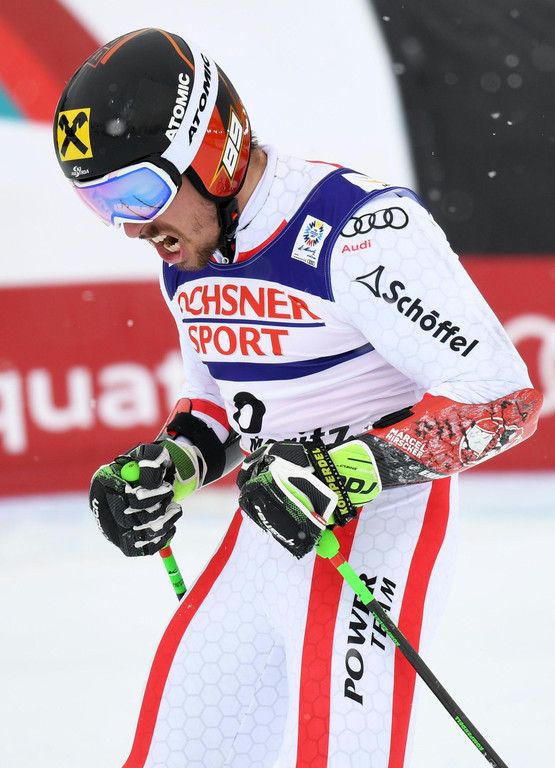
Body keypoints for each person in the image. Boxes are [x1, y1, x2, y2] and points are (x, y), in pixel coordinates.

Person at [54, 28, 542, 768]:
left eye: (138, 193)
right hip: (268, 534)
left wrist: (344, 472)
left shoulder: (362, 230)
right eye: (101, 204)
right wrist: (168, 468)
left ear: (210, 151)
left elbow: (503, 403)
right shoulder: (190, 248)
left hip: (376, 532)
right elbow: (222, 406)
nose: (131, 227)